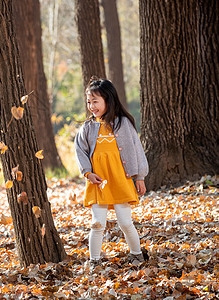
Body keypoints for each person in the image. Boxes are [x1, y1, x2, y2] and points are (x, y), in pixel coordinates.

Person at [74, 77, 149, 270]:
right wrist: (88, 173)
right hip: (99, 182)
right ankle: (94, 261)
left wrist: (140, 176)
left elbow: (137, 149)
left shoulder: (123, 124)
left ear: (108, 99)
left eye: (95, 101)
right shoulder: (88, 127)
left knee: (125, 222)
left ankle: (137, 255)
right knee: (97, 223)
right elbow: (79, 151)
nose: (91, 106)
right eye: (89, 101)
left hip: (120, 180)